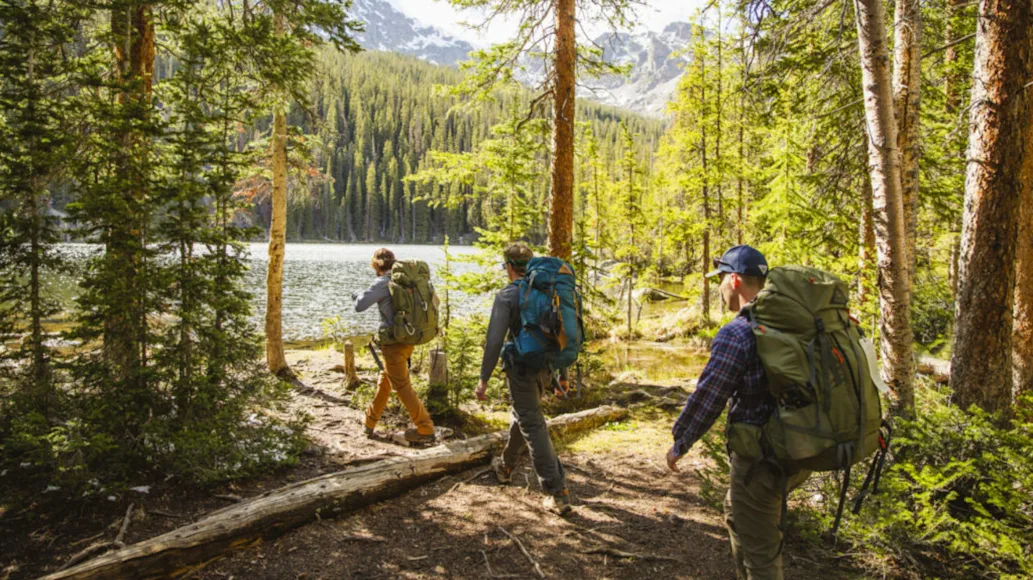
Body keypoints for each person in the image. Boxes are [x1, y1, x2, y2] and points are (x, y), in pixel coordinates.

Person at [665, 245, 811, 580]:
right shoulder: (790, 323)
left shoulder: (739, 332)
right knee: (738, 513)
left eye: (719, 280)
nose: (717, 288)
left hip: (762, 457)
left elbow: (710, 394)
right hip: (796, 445)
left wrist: (680, 441)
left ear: (734, 280)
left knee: (761, 555)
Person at [475, 242, 571, 515]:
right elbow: (560, 332)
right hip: (546, 366)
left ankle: (557, 492)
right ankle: (505, 466)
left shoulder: (507, 295)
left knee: (533, 423)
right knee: (525, 414)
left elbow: (494, 341)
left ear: (508, 267)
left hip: (520, 368)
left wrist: (483, 380)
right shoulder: (547, 291)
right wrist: (562, 375)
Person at [352, 248, 436, 445]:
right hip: (409, 338)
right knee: (388, 378)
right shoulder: (410, 282)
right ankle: (370, 422)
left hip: (393, 342)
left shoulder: (382, 282)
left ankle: (425, 428)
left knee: (401, 385)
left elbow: (360, 305)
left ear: (377, 266)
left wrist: (356, 295)